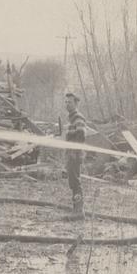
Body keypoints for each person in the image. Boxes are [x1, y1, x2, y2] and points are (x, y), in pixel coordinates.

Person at [63, 92, 87, 220]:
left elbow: (82, 134)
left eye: (70, 102)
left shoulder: (78, 117)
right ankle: (76, 209)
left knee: (75, 182)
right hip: (71, 154)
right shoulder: (70, 118)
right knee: (72, 182)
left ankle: (79, 211)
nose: (67, 104)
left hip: (75, 155)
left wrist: (70, 133)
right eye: (66, 102)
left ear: (76, 103)